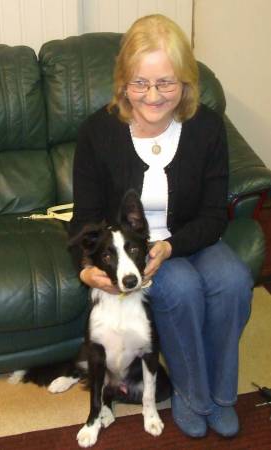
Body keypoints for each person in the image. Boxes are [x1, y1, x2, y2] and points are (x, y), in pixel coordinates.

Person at [69, 14, 253, 438]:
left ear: (186, 81)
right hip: (134, 251)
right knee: (182, 288)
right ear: (123, 81)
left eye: (166, 83)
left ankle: (222, 396)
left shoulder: (207, 127)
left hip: (191, 237)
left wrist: (170, 247)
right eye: (140, 83)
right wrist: (85, 269)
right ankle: (192, 396)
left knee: (233, 280)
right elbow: (84, 219)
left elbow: (212, 215)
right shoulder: (97, 132)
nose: (152, 96)